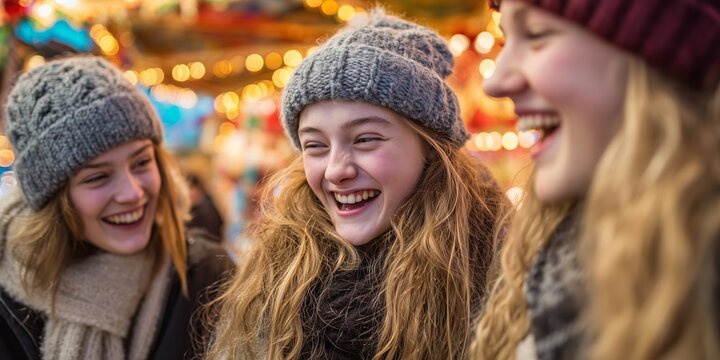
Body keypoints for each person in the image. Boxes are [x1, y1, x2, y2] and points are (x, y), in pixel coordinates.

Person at [206, 8, 509, 360]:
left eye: (365, 139)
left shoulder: (498, 279)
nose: (336, 170)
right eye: (315, 145)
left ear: (429, 147)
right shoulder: (272, 279)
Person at [471, 0, 720, 359]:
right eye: (505, 38)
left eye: (537, 34)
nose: (494, 82)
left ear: (656, 55)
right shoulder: (548, 267)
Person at [0, 56, 232, 360]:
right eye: (98, 177)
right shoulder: (8, 303)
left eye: (142, 162)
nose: (132, 193)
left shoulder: (207, 276)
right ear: (52, 198)